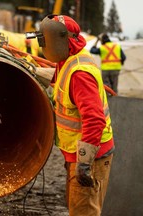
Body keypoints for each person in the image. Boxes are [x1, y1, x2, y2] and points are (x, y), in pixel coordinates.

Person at [36, 15, 115, 216]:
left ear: (60, 39)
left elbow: (95, 120)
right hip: (77, 153)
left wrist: (84, 163)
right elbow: (59, 77)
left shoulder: (80, 74)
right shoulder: (70, 58)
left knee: (84, 212)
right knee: (76, 208)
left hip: (91, 157)